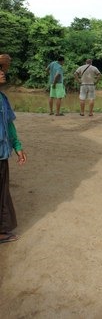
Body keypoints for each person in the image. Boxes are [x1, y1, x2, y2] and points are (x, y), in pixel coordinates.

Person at [0, 54, 27, 244]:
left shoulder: (3, 99)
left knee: (2, 192)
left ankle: (1, 231)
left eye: (2, 69)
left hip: (1, 155)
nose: (3, 73)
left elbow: (9, 125)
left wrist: (18, 146)